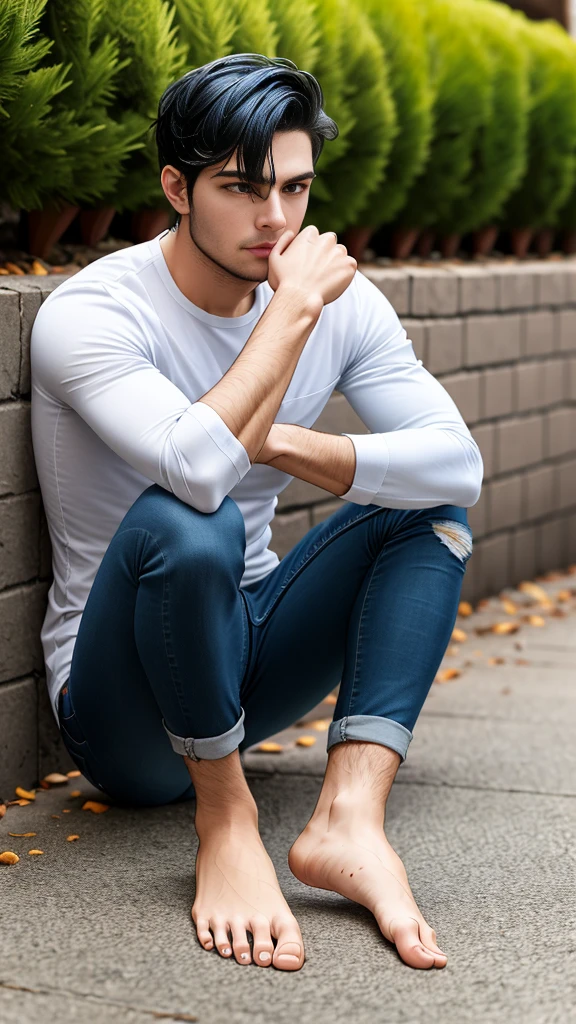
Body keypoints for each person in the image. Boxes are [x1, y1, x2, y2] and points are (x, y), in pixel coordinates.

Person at [30, 53, 482, 974]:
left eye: (295, 188)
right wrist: (292, 309)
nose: (275, 220)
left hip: (248, 663)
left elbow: (459, 465)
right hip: (121, 709)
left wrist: (279, 441)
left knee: (425, 505)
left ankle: (349, 819)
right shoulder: (94, 314)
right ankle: (226, 815)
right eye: (241, 189)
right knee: (194, 523)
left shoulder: (338, 307)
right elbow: (196, 473)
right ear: (176, 188)